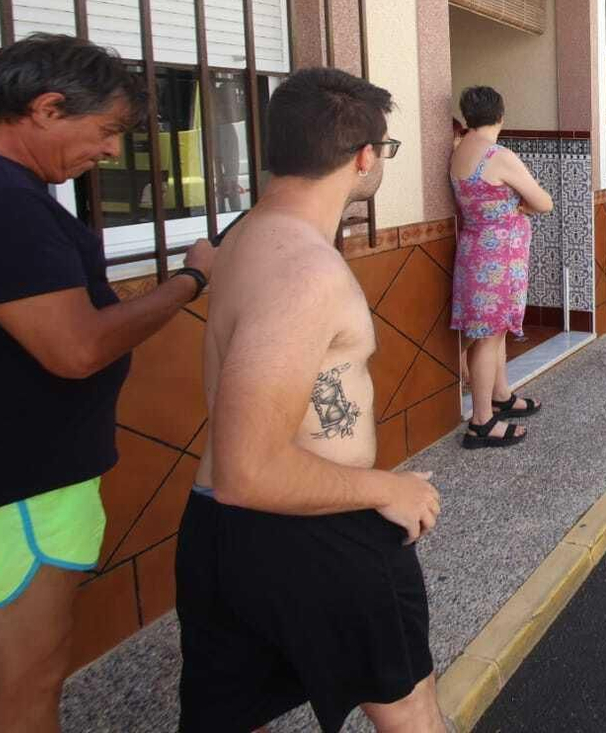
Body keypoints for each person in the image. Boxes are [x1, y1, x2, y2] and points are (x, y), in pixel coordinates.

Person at [175, 68, 445, 733]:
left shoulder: (238, 242)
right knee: (412, 713)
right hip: (313, 528)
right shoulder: (305, 269)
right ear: (363, 157)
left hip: (219, 535)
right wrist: (386, 488)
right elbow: (251, 468)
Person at [0, 34, 216, 732]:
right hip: (13, 494)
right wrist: (190, 281)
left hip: (4, 486)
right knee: (19, 685)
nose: (111, 153)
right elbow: (75, 347)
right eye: (107, 131)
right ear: (47, 108)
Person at [449, 85, 553, 449]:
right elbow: (543, 202)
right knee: (489, 338)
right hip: (500, 259)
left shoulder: (459, 150)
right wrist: (521, 208)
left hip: (473, 250)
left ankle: (501, 395)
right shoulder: (498, 154)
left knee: (494, 331)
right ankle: (481, 421)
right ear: (500, 116)